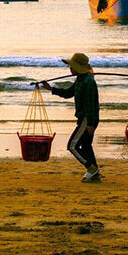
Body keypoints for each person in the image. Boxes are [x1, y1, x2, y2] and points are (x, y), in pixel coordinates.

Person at [41, 53, 101, 182]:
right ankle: (94, 174)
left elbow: (90, 103)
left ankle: (91, 168)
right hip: (86, 118)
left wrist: (90, 123)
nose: (70, 68)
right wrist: (51, 89)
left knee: (72, 146)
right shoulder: (81, 79)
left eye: (72, 66)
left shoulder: (88, 81)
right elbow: (69, 93)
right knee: (86, 146)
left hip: (87, 118)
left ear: (78, 67)